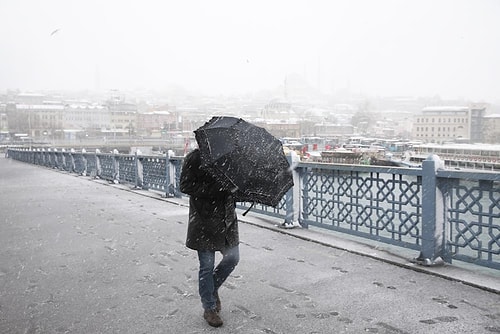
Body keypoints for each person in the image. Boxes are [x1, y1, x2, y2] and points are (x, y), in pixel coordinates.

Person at [180, 148, 239, 327]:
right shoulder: (195, 157)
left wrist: (235, 189)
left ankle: (210, 289)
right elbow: (185, 185)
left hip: (226, 220)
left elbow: (233, 187)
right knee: (206, 266)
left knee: (233, 258)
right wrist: (216, 188)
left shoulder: (231, 159)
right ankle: (209, 308)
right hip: (204, 219)